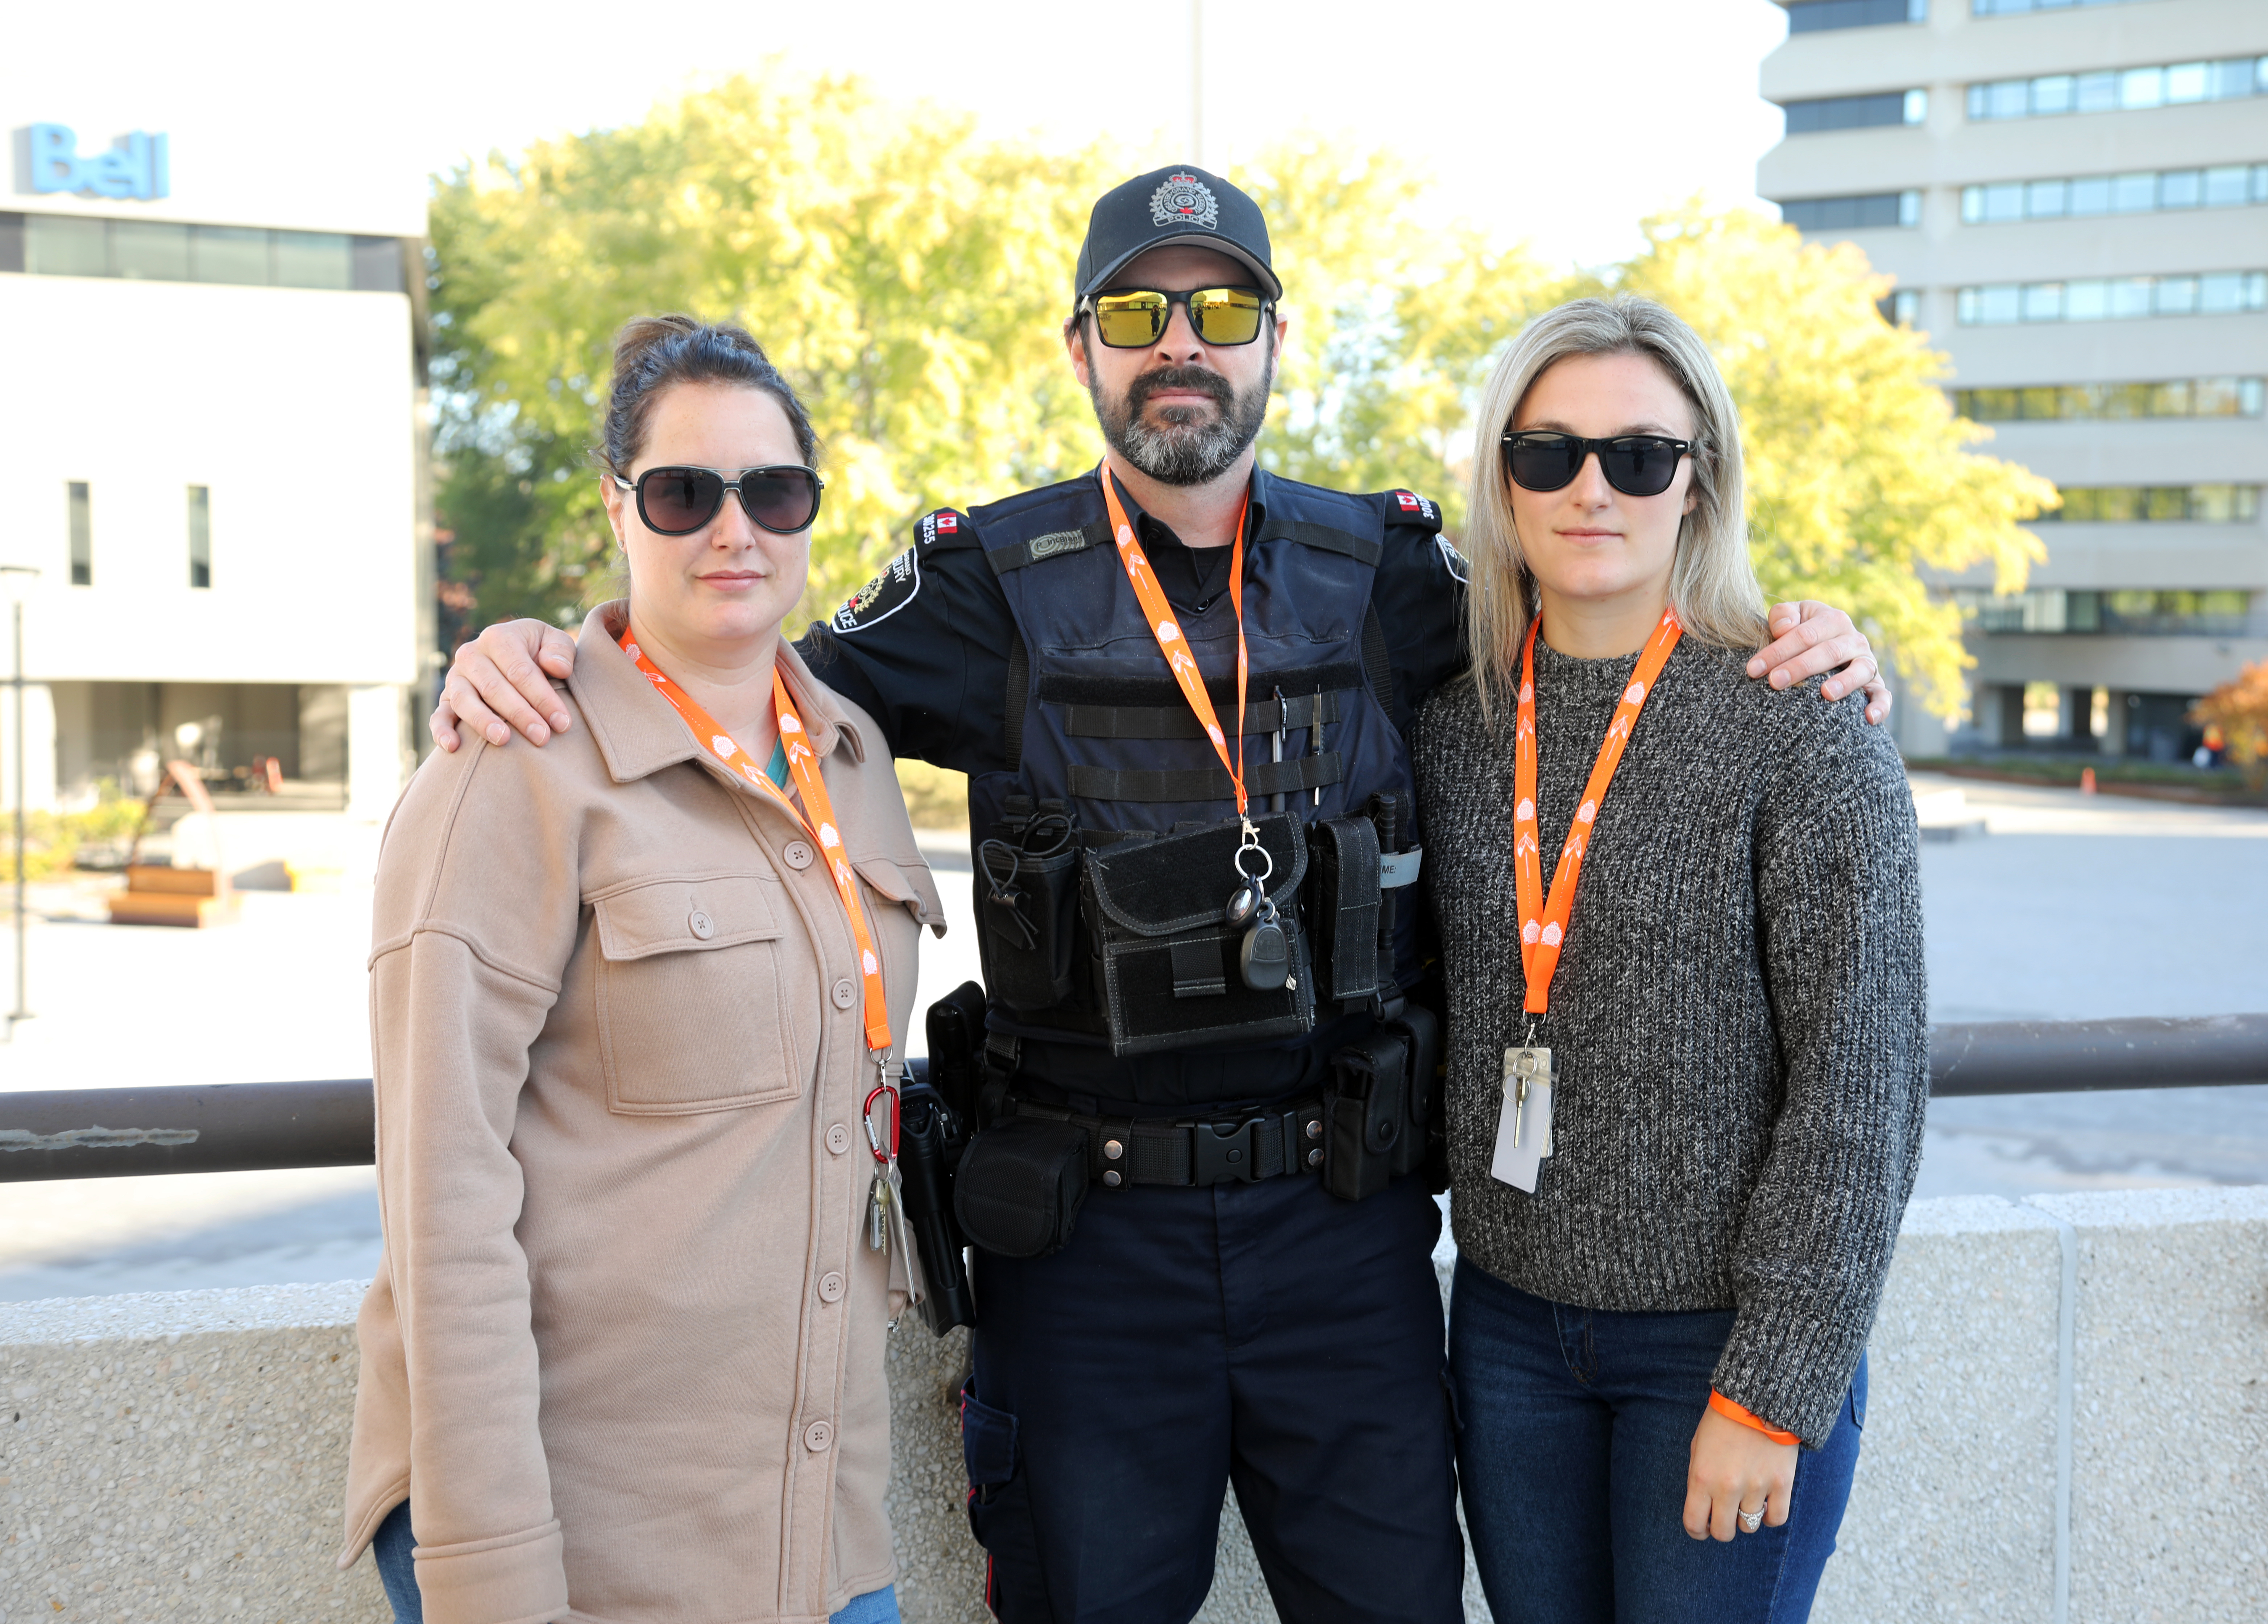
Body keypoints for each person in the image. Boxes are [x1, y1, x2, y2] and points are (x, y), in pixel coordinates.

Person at [428, 168, 1891, 1624]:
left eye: (1221, 309)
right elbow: (732, 675)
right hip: (1087, 1256)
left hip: (1343, 1236)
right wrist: (548, 654)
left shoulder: (1387, 571)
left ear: (1272, 340)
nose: (1180, 340)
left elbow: (1603, 627)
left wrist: (1810, 637)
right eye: (1138, 310)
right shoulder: (981, 586)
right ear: (1083, 349)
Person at [343, 316, 943, 1624]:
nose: (736, 531)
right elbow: (442, 1207)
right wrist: (495, 1577)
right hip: (594, 1547)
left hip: (825, 1543)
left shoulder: (850, 758)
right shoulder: (509, 767)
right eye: (685, 493)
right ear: (621, 508)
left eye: (773, 492)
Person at [1414, 295, 1926, 1624]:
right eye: (1549, 454)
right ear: (1503, 481)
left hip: (1718, 1352)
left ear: (1698, 485)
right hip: (1511, 1334)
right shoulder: (1451, 729)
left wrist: (1774, 1383)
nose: (1594, 489)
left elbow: (1860, 1088)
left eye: (1641, 455)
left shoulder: (1802, 723)